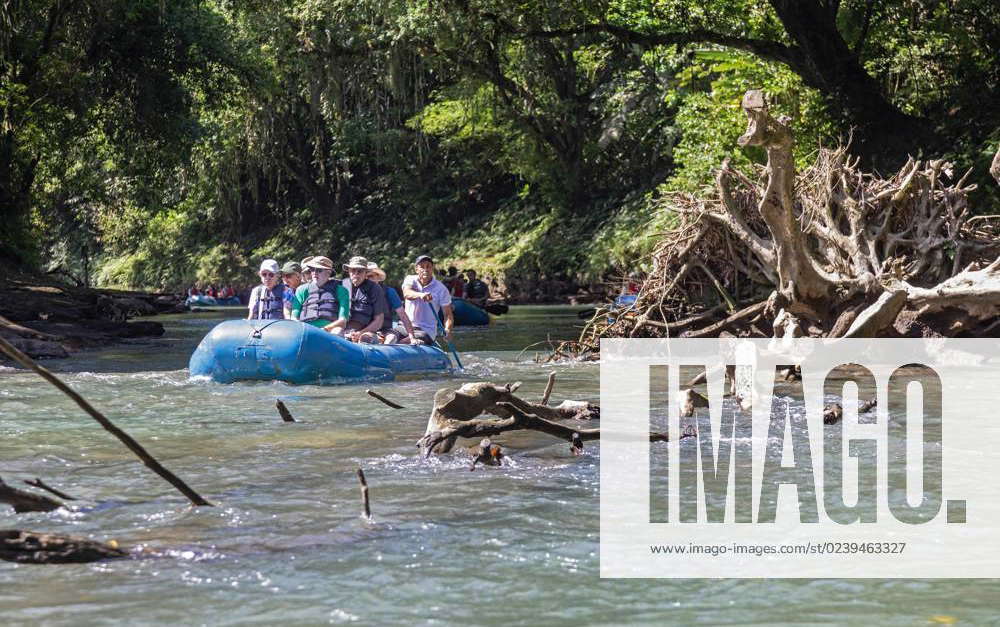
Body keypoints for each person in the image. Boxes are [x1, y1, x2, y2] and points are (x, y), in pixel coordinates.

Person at [402, 255, 453, 345]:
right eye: (422, 267)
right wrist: (420, 295)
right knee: (389, 337)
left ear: (432, 269)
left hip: (426, 330)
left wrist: (448, 329)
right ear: (416, 269)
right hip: (405, 326)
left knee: (402, 342)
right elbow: (407, 293)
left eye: (428, 266)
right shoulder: (410, 279)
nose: (425, 269)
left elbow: (448, 314)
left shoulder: (441, 289)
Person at [292, 256, 349, 331]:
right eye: (312, 269)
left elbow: (342, 321)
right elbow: (294, 318)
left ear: (329, 272)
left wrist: (325, 329)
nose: (314, 273)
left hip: (329, 332)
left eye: (319, 270)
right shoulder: (301, 290)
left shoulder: (341, 291)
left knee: (338, 331)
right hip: (305, 331)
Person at [339, 256, 385, 343]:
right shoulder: (341, 285)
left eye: (360, 271)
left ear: (365, 273)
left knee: (366, 338)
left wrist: (360, 333)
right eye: (353, 270)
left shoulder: (375, 288)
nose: (356, 274)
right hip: (342, 330)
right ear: (348, 271)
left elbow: (379, 320)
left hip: (365, 331)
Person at [367, 262, 415, 344]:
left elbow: (403, 315)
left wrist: (412, 337)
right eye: (366, 276)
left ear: (378, 277)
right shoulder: (360, 292)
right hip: (365, 329)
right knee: (367, 338)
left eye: (371, 276)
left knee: (391, 338)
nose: (368, 279)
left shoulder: (389, 292)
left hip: (385, 330)